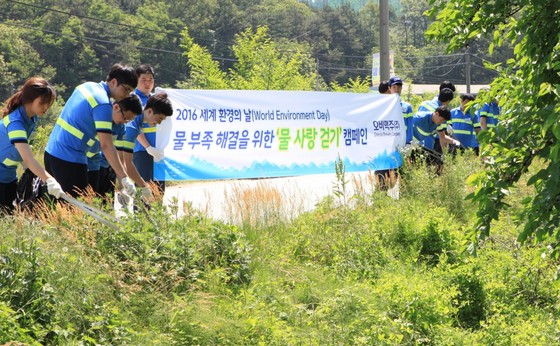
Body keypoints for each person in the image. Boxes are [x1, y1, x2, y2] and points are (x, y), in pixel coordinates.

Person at [44, 63, 141, 199]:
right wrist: (123, 177)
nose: (126, 96)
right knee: (77, 211)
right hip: (70, 158)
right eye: (126, 90)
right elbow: (106, 145)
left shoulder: (87, 86)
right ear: (114, 82)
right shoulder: (103, 104)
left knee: (59, 207)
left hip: (52, 152)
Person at [0, 77, 64, 212]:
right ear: (31, 98)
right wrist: (49, 179)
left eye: (49, 103)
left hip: (8, 176)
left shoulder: (31, 118)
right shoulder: (15, 123)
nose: (46, 107)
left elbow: (21, 150)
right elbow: (29, 159)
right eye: (43, 102)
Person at [89, 94, 144, 200]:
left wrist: (123, 187)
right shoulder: (100, 116)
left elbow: (121, 158)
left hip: (103, 166)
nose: (124, 122)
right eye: (125, 118)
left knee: (105, 203)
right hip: (87, 163)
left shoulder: (121, 128)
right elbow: (105, 146)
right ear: (116, 107)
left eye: (128, 120)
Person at [123, 92, 173, 195]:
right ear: (150, 111)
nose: (159, 123)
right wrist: (143, 186)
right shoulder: (132, 127)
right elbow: (126, 163)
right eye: (159, 119)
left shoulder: (137, 124)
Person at [130, 64, 167, 194]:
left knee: (159, 189)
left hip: (159, 151)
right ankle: (141, 214)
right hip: (142, 151)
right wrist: (148, 147)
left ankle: (158, 215)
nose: (148, 83)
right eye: (143, 80)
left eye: (150, 79)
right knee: (144, 187)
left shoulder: (156, 99)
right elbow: (134, 127)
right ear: (136, 80)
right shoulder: (134, 99)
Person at [412, 105, 460, 170]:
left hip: (419, 145)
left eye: (443, 121)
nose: (442, 122)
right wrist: (407, 141)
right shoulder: (418, 118)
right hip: (409, 145)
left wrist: (454, 141)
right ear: (436, 113)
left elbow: (443, 137)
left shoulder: (437, 124)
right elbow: (405, 129)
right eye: (442, 119)